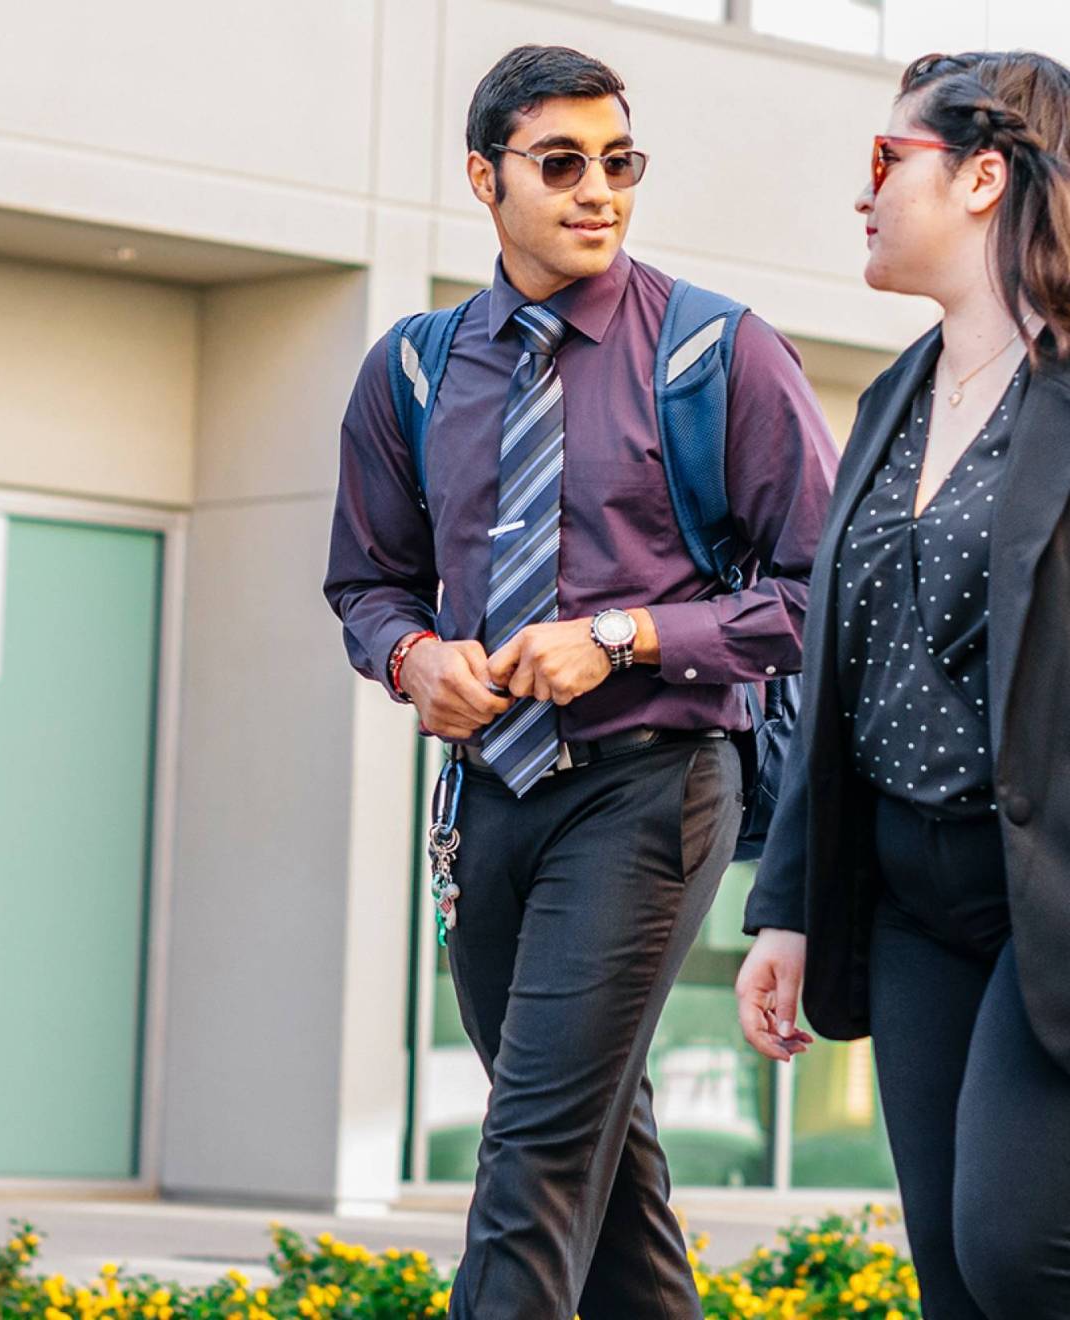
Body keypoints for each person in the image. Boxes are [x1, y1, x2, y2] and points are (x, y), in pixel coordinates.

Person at [325, 43, 835, 1320]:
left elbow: (820, 595)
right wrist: (411, 656)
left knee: (536, 1153)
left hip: (653, 790)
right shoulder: (415, 370)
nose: (596, 190)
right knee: (597, 1159)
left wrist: (624, 638)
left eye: (620, 162)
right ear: (482, 179)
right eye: (560, 164)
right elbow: (367, 579)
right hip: (486, 804)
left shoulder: (718, 355)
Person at [737, 49, 1070, 1320]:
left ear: (984, 176)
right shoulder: (890, 399)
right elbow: (841, 674)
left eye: (887, 160)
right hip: (911, 899)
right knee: (951, 1277)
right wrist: (788, 906)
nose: (862, 192)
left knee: (1018, 1250)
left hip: (1046, 898)